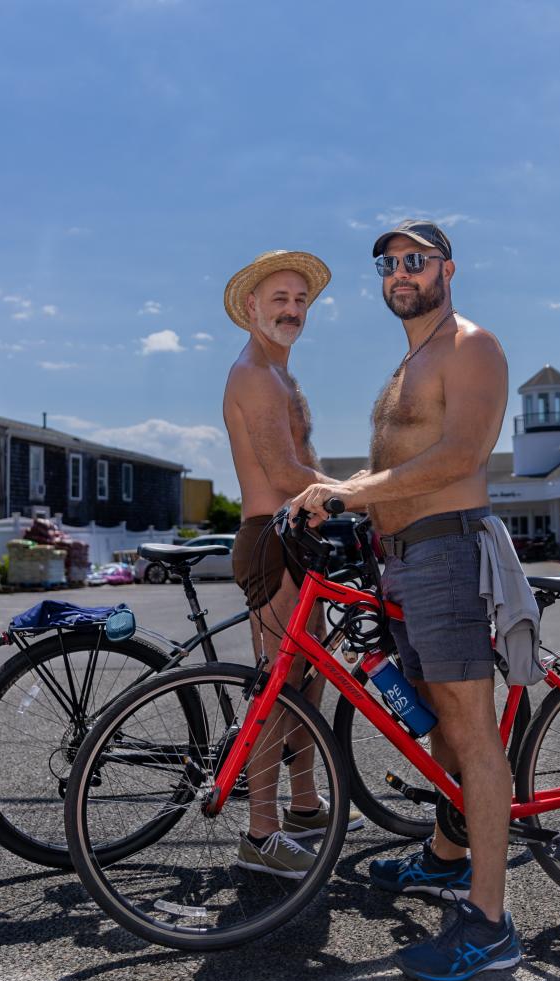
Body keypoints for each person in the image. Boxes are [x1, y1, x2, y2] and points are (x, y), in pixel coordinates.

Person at [291, 219, 521, 981]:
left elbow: (461, 454)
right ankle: (447, 856)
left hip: (447, 551)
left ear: (447, 268)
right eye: (389, 263)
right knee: (435, 723)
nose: (400, 272)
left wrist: (351, 491)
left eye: (414, 260)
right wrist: (342, 501)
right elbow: (400, 461)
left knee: (470, 729)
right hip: (403, 559)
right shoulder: (410, 361)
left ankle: (490, 923)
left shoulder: (470, 345)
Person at [222, 250, 364, 879]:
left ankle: (305, 807)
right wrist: (358, 490)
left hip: (300, 537)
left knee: (311, 681)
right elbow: (283, 474)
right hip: (271, 536)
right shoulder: (254, 373)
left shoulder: (282, 374)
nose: (291, 311)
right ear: (251, 308)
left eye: (300, 301)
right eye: (279, 299)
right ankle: (261, 832)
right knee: (277, 687)